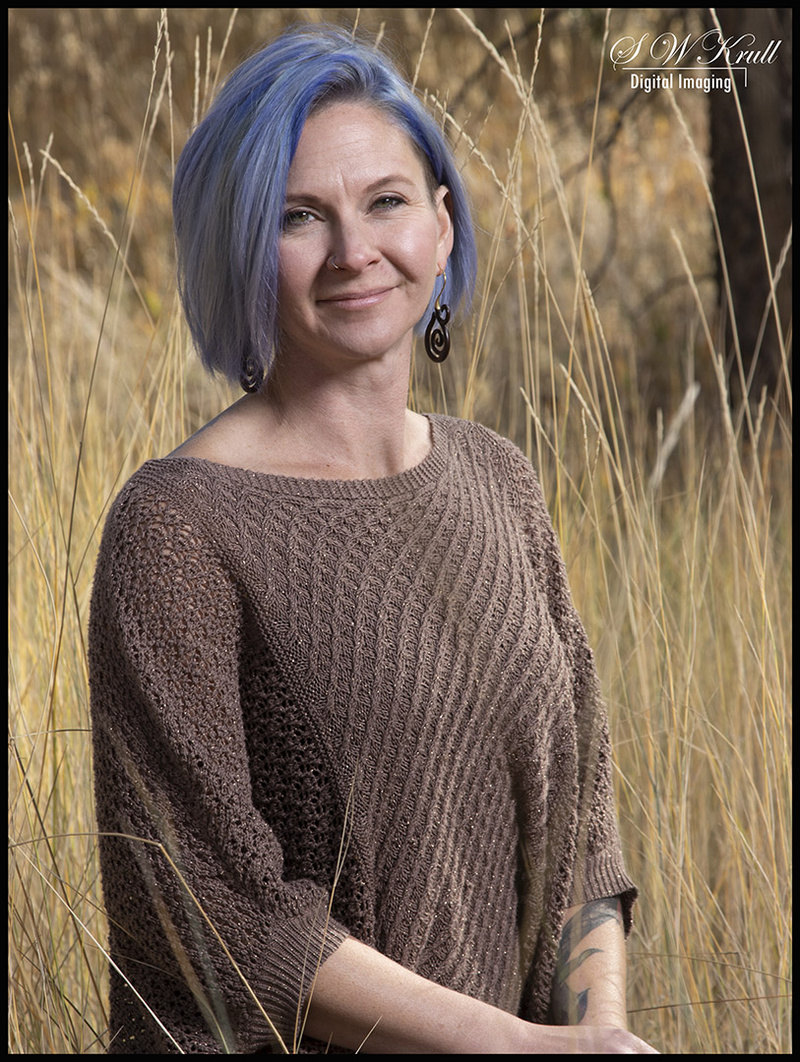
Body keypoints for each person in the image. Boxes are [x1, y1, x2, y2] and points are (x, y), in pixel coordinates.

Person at [88, 23, 658, 1055]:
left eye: (385, 202)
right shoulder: (175, 527)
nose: (355, 252)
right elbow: (217, 914)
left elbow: (578, 831)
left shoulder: (497, 480)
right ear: (240, 247)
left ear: (440, 228)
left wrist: (596, 1037)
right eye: (300, 216)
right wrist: (518, 1049)